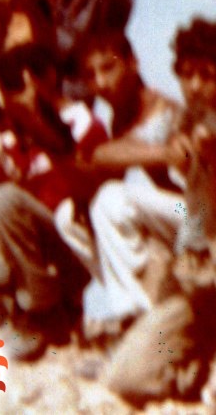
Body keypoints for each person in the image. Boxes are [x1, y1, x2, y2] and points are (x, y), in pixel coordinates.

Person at [104, 19, 216, 406]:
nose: (193, 86)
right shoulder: (184, 119)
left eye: (206, 76)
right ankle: (195, 364)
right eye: (186, 74)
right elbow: (101, 154)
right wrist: (163, 152)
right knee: (126, 376)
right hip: (199, 279)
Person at [0, 43, 108, 360]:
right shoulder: (7, 139)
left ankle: (44, 311)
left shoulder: (83, 123)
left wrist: (36, 123)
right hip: (26, 258)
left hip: (73, 245)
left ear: (46, 77)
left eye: (16, 85)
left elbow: (82, 190)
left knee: (7, 200)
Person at [77, 32, 186, 335]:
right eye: (91, 75)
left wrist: (104, 157)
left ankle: (134, 312)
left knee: (109, 200)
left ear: (132, 63)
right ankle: (138, 307)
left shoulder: (163, 110)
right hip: (168, 221)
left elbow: (103, 157)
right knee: (74, 216)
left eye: (108, 68)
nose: (101, 83)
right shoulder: (120, 120)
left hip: (199, 218)